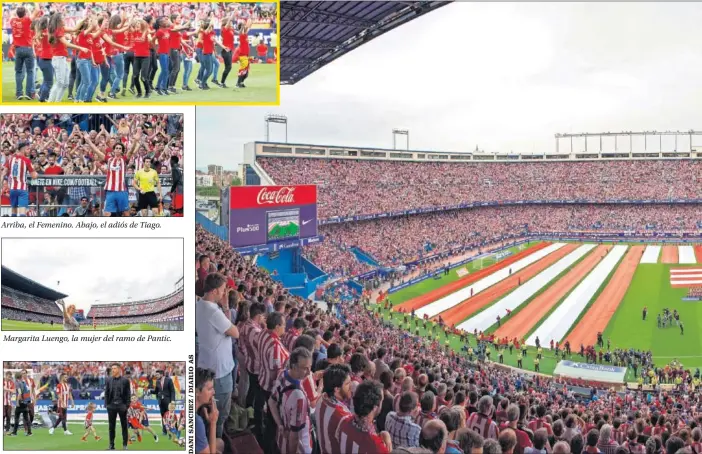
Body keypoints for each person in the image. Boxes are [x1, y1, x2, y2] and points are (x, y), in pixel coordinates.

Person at [195, 273, 240, 438]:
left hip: (207, 364)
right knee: (219, 415)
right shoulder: (214, 312)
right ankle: (217, 442)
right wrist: (226, 308)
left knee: (207, 411)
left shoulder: (199, 304)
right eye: (222, 290)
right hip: (220, 372)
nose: (223, 294)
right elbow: (235, 332)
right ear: (214, 291)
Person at [268, 347, 315, 454]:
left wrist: (280, 424)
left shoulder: (282, 374)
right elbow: (294, 436)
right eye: (305, 368)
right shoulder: (298, 397)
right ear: (294, 367)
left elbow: (271, 401)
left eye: (310, 367)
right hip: (301, 447)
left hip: (281, 439)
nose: (309, 372)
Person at [335, 380, 392, 453]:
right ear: (375, 407)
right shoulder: (377, 447)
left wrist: (383, 434)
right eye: (382, 400)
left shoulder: (343, 422)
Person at [2, 141, 38, 217]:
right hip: (22, 189)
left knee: (14, 211)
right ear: (23, 150)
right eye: (28, 149)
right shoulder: (26, 160)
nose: (29, 151)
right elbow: (34, 176)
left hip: (12, 189)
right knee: (22, 212)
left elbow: (3, 172)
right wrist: (35, 172)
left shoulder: (10, 159)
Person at [195, 368, 224, 454]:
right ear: (197, 392)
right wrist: (213, 423)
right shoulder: (197, 422)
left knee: (220, 443)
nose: (214, 392)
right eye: (209, 389)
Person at [105, 363, 131, 450]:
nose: (113, 370)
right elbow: (107, 393)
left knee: (124, 426)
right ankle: (111, 445)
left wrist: (126, 406)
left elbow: (128, 394)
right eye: (112, 368)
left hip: (122, 406)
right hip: (111, 406)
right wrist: (107, 405)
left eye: (114, 368)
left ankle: (125, 445)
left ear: (119, 369)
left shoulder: (125, 380)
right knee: (111, 427)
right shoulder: (108, 380)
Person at [153, 369, 176, 435]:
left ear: (161, 374)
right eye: (156, 374)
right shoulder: (157, 381)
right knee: (163, 416)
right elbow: (156, 391)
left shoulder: (169, 380)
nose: (156, 376)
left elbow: (172, 391)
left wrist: (173, 400)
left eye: (157, 375)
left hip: (168, 401)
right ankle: (164, 430)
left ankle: (174, 429)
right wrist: (150, 391)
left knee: (171, 415)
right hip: (161, 401)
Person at [11, 371, 32, 437]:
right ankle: (29, 432)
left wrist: (17, 402)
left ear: (16, 377)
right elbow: (28, 391)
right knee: (26, 418)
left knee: (16, 417)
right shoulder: (24, 382)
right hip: (25, 401)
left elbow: (19, 393)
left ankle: (14, 433)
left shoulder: (17, 383)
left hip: (20, 402)